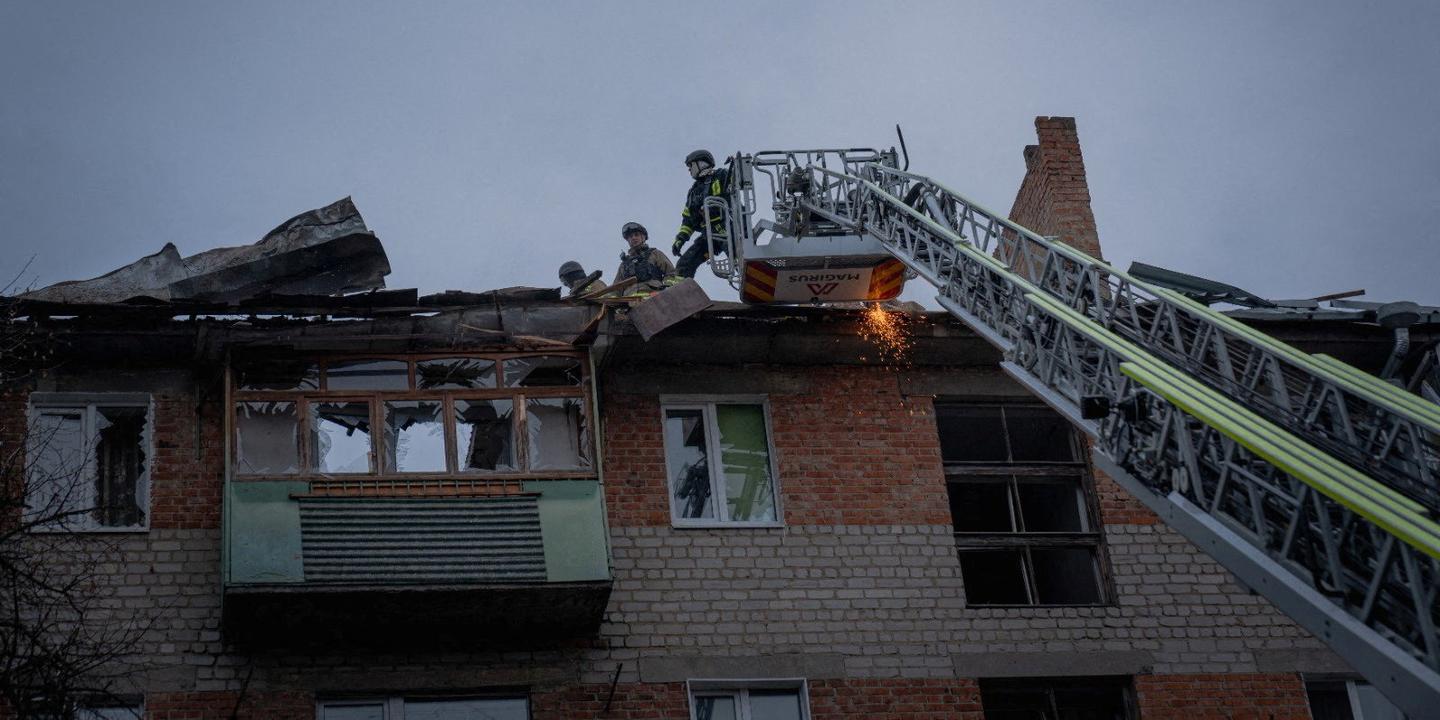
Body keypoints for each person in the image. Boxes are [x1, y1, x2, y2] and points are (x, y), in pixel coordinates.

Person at [672, 149, 732, 278]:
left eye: (691, 166)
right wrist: (680, 239)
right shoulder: (693, 191)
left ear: (701, 163)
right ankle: (679, 289)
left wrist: (736, 166)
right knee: (685, 264)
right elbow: (688, 220)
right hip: (709, 234)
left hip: (729, 227)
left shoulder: (722, 175)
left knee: (738, 256)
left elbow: (738, 184)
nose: (689, 170)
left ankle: (747, 272)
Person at [614, 221, 675, 287]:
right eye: (630, 236)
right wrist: (609, 297)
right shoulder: (624, 265)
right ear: (628, 240)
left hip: (654, 294)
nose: (633, 238)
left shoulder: (654, 254)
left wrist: (667, 287)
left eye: (636, 235)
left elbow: (671, 273)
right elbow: (615, 289)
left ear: (643, 237)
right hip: (630, 297)